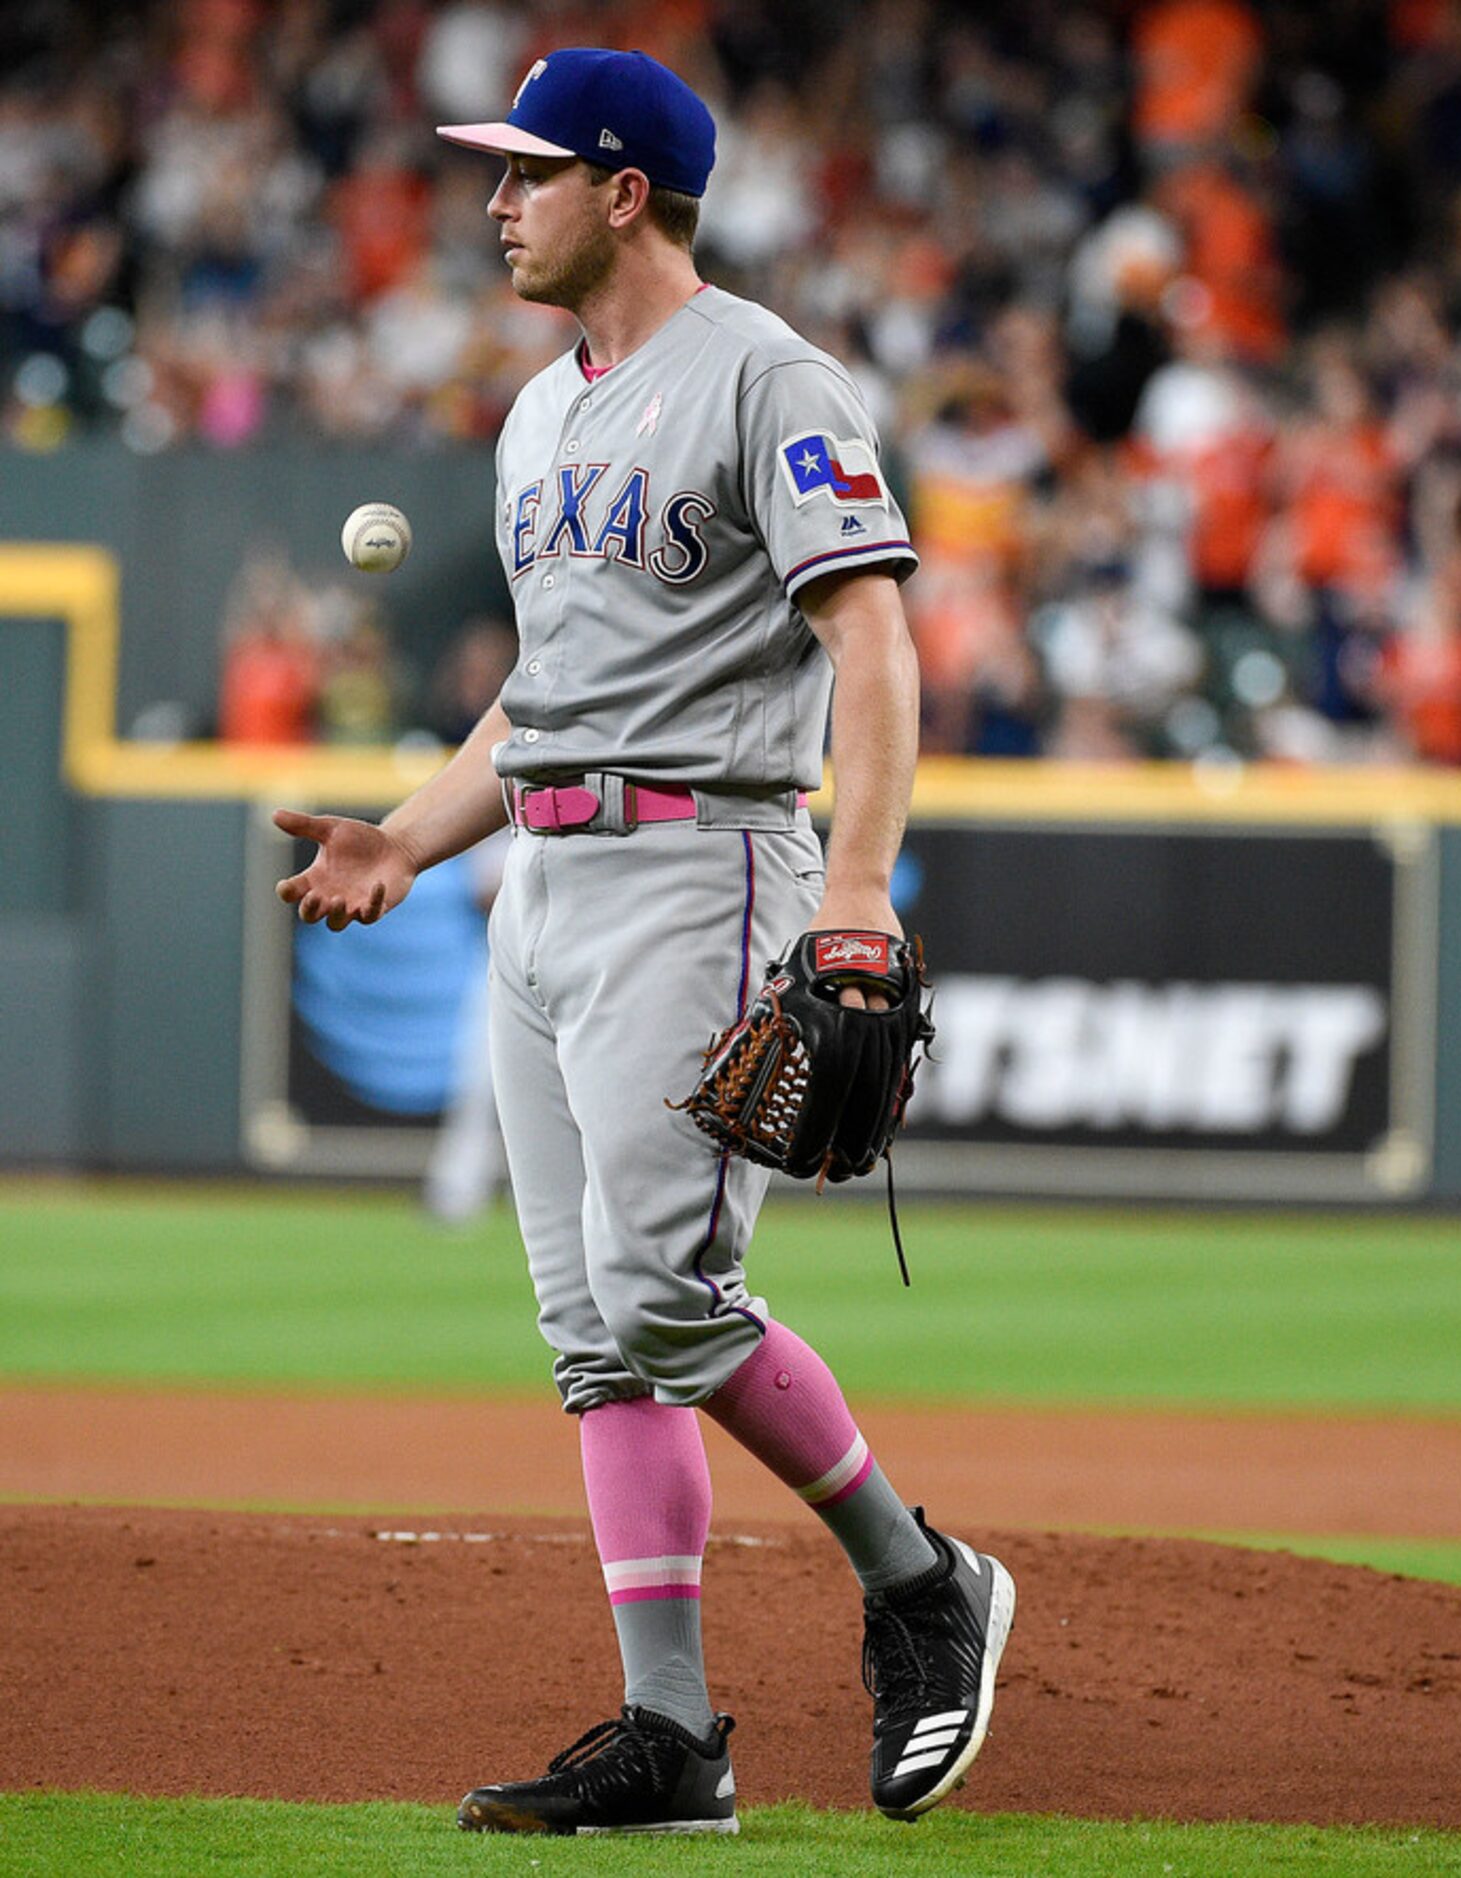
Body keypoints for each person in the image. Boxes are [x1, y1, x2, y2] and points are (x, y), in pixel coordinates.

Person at [273, 48, 1012, 1835]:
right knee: (595, 1332)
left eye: (525, 170)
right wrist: (408, 832)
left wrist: (858, 882)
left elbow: (876, 646)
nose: (492, 200)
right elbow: (544, 695)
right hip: (542, 881)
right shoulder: (541, 412)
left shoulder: (766, 376)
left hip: (708, 866)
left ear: (623, 190)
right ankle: (670, 1733)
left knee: (671, 1294)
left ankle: (922, 1583)